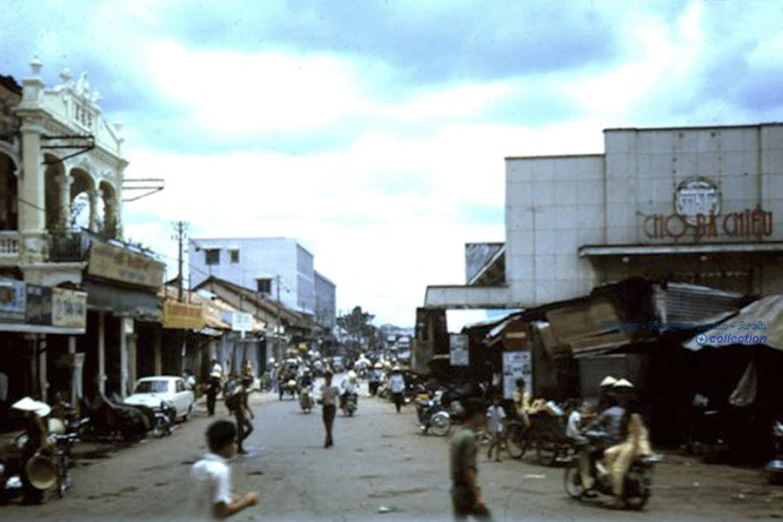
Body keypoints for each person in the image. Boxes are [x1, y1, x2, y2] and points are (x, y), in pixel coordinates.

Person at [191, 420, 260, 520]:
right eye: (234, 442)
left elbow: (209, 495)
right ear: (227, 444)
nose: (236, 446)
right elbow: (221, 512)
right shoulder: (220, 471)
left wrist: (230, 496)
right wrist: (248, 501)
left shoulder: (197, 466)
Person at [602, 401, 652, 509]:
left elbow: (639, 436)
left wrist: (641, 451)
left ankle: (618, 499)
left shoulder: (635, 417)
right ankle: (613, 481)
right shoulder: (629, 417)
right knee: (608, 453)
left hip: (633, 445)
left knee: (618, 469)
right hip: (627, 443)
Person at [450, 397, 492, 520]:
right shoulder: (469, 438)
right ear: (476, 416)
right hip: (466, 491)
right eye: (483, 415)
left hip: (457, 490)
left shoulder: (459, 434)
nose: (484, 419)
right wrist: (476, 495)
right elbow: (468, 469)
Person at [580, 392, 626, 491]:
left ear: (607, 403)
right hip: (622, 443)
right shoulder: (623, 411)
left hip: (610, 443)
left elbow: (595, 423)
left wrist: (584, 430)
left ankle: (595, 480)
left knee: (592, 455)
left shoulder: (608, 412)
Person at [12, 397, 52, 505]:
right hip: (30, 445)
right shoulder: (29, 419)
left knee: (32, 471)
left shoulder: (36, 419)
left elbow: (43, 433)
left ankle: (34, 497)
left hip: (35, 446)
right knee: (27, 471)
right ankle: (30, 497)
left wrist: (41, 448)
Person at [227, 376, 254, 454]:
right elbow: (241, 404)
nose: (250, 384)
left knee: (244, 430)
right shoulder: (241, 391)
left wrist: (250, 412)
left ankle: (238, 444)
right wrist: (245, 413)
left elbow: (245, 404)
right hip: (239, 412)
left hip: (240, 412)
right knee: (244, 430)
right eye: (249, 383)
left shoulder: (242, 390)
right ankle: (239, 446)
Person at [319, 370, 340, 448]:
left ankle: (327, 440)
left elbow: (339, 395)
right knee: (326, 423)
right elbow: (320, 396)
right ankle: (330, 439)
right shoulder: (322, 387)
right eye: (326, 377)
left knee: (329, 423)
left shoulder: (335, 387)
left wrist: (341, 404)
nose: (327, 379)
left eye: (329, 377)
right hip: (325, 406)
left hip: (332, 407)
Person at [486, 394, 506, 463]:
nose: (496, 402)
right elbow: (488, 417)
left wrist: (504, 427)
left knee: (499, 442)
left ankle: (497, 456)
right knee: (494, 440)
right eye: (495, 401)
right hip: (492, 426)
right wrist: (487, 426)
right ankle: (490, 449)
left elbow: (503, 418)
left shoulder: (501, 409)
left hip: (499, 426)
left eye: (497, 401)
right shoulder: (490, 409)